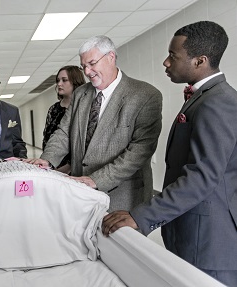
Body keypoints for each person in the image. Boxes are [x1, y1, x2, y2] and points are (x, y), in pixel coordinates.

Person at [102, 21, 237, 286]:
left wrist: (140, 216)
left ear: (200, 61)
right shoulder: (204, 98)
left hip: (210, 243)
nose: (165, 62)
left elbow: (202, 177)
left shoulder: (217, 103)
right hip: (192, 232)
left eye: (173, 56)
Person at [25, 35, 163, 212]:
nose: (88, 72)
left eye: (92, 63)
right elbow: (64, 132)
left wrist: (97, 180)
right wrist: (48, 160)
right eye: (84, 67)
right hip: (80, 194)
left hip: (122, 198)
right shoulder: (81, 94)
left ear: (111, 57)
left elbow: (139, 151)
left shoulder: (144, 95)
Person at [42, 65, 86, 174]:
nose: (59, 84)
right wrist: (47, 161)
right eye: (58, 80)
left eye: (64, 80)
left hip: (75, 168)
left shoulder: (83, 108)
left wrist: (69, 167)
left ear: (75, 82)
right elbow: (47, 138)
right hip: (52, 165)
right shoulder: (53, 109)